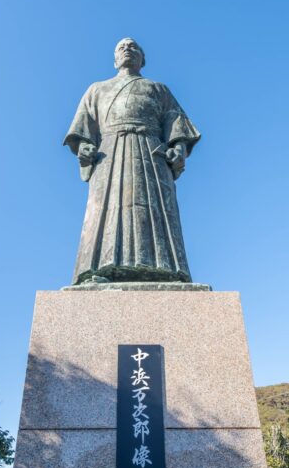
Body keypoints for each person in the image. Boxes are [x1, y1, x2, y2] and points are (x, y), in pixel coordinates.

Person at [63, 38, 201, 285]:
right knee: (105, 212)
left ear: (142, 59)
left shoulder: (158, 89)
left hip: (150, 153)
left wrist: (178, 147)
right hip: (110, 154)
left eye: (134, 46)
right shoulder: (97, 89)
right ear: (115, 59)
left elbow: (175, 122)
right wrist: (84, 146)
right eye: (122, 47)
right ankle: (99, 270)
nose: (128, 49)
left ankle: (166, 270)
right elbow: (83, 129)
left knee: (156, 211)